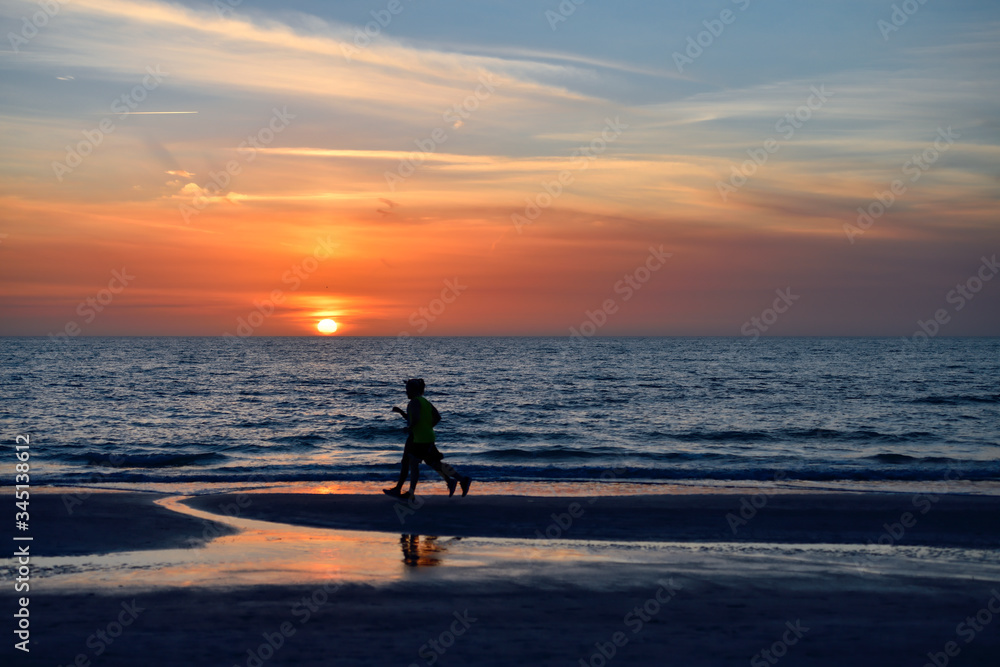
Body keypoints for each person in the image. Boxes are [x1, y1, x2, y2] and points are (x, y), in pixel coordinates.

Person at [384, 378, 471, 499]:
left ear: (414, 390)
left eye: (407, 390)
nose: (406, 392)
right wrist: (426, 427)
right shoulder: (425, 401)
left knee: (414, 464)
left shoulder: (414, 402)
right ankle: (460, 480)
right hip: (427, 436)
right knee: (433, 463)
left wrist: (410, 428)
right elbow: (437, 417)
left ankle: (410, 493)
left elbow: (416, 419)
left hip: (420, 439)